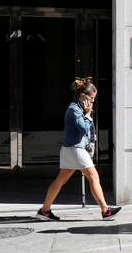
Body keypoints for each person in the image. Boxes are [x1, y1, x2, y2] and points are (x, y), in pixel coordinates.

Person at [36, 77, 121, 221]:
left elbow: (87, 131)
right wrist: (88, 115)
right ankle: (105, 210)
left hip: (72, 149)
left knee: (60, 180)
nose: (93, 101)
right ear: (83, 96)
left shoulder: (78, 108)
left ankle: (45, 210)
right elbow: (82, 128)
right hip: (75, 149)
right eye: (92, 98)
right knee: (93, 176)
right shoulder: (74, 109)